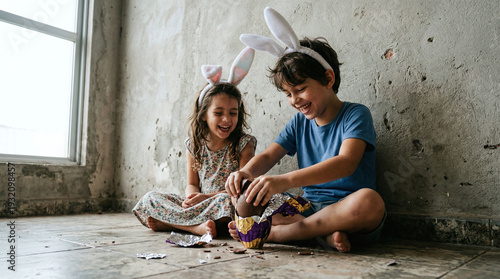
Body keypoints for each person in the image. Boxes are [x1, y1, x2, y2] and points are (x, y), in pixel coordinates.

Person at [225, 7, 385, 252]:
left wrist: (283, 181)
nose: (294, 100)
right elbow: (269, 156)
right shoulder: (299, 122)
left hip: (347, 210)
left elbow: (346, 163)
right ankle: (325, 236)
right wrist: (244, 173)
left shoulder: (356, 114)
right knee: (248, 199)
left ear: (328, 79)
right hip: (307, 209)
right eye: (288, 94)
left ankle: (281, 235)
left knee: (370, 202)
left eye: (300, 90)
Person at [133, 47, 257, 238]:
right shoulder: (194, 145)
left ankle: (176, 224)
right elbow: (192, 183)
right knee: (150, 199)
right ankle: (195, 228)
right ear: (203, 115)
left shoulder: (244, 144)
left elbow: (243, 190)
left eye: (233, 113)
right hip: (200, 205)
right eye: (218, 113)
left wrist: (206, 198)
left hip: (222, 202)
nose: (227, 119)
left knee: (230, 202)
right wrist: (191, 199)